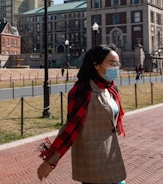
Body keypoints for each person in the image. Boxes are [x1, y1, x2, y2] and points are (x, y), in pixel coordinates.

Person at [37, 44, 126, 183]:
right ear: (96, 65)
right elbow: (71, 126)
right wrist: (50, 160)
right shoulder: (84, 90)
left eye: (117, 63)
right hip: (93, 160)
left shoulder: (110, 87)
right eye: (112, 63)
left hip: (111, 155)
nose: (116, 67)